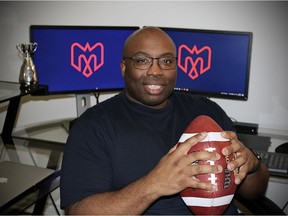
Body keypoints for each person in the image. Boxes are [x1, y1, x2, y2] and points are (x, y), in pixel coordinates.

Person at [60, 26, 269, 215]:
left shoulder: (206, 110)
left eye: (166, 61)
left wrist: (252, 165)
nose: (155, 71)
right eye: (142, 60)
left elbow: (255, 192)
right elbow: (79, 212)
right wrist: (154, 184)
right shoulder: (93, 126)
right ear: (124, 67)